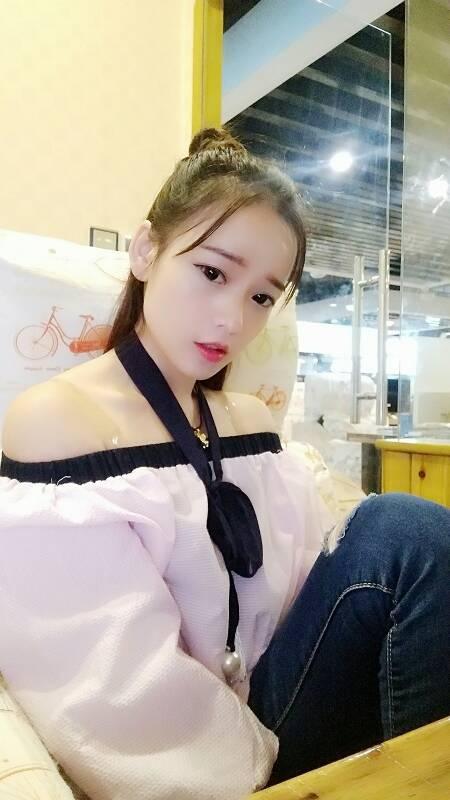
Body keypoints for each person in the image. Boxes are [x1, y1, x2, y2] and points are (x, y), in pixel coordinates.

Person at [0, 127, 448, 800]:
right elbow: (110, 688)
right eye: (212, 272)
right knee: (406, 533)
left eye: (263, 296)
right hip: (210, 761)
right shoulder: (58, 420)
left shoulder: (249, 420)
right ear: (146, 251)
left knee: (408, 532)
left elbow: (308, 594)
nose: (234, 319)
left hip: (281, 696)